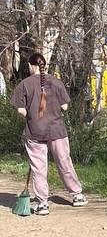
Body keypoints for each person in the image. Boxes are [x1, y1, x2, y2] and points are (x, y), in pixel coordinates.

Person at [11, 52, 87, 215]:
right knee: (64, 162)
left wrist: (32, 115)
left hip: (35, 131)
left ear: (32, 66)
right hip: (57, 130)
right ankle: (77, 195)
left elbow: (20, 110)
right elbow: (65, 106)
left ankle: (42, 203)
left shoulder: (24, 84)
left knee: (39, 167)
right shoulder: (56, 82)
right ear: (44, 66)